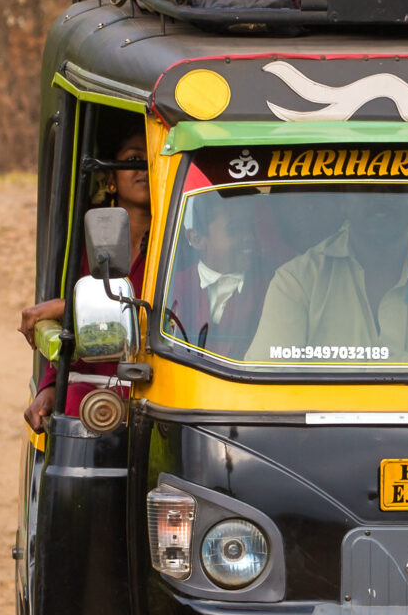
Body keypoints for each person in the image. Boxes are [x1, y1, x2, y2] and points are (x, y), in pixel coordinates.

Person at [246, 191, 408, 366]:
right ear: (343, 200)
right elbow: (263, 387)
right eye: (367, 186)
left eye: (394, 186)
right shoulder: (298, 282)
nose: (380, 198)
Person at [19, 121, 150, 431]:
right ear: (110, 179)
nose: (143, 168)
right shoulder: (85, 236)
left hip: (149, 392)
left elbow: (150, 310)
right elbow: (73, 335)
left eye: (152, 160)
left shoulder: (179, 237)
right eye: (132, 160)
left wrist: (60, 307)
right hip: (86, 394)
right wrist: (50, 386)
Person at [165, 196, 263, 360]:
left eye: (249, 229)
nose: (249, 238)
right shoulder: (171, 287)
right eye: (235, 230)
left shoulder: (271, 286)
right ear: (196, 239)